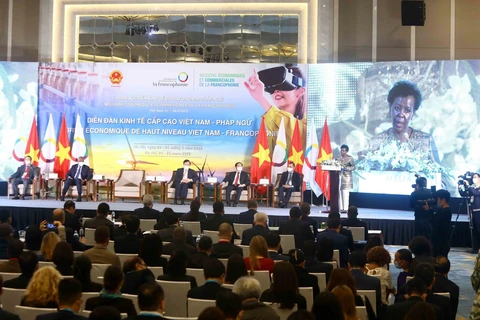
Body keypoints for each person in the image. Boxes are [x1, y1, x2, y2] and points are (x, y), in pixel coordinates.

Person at [366, 81, 439, 166]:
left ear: (413, 113)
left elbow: (441, 176)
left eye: (407, 110)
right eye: (397, 108)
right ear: (390, 108)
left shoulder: (426, 141)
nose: (401, 114)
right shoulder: (376, 142)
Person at [244, 65, 307, 150]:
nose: (276, 91)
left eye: (284, 86)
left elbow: (294, 131)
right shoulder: (268, 124)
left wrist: (262, 99)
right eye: (272, 89)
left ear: (300, 91)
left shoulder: (309, 124)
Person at [429, 189, 452, 257]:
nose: (437, 201)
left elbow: (436, 223)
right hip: (438, 240)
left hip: (441, 241)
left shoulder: (445, 211)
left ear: (443, 199)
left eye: (438, 199)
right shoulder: (441, 210)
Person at [337, 144, 355, 212]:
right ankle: (341, 208)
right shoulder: (338, 158)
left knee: (345, 193)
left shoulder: (350, 158)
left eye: (344, 151)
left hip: (347, 177)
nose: (342, 152)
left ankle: (346, 208)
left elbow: (353, 167)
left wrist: (346, 168)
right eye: (341, 150)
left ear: (346, 151)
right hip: (339, 176)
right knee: (339, 192)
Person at [468, 173, 480, 251]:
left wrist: (469, 186)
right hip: (473, 211)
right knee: (474, 230)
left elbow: (475, 193)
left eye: (475, 177)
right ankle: (475, 248)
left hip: (479, 211)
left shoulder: (478, 189)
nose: (473, 179)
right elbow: (464, 194)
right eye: (473, 177)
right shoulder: (473, 188)